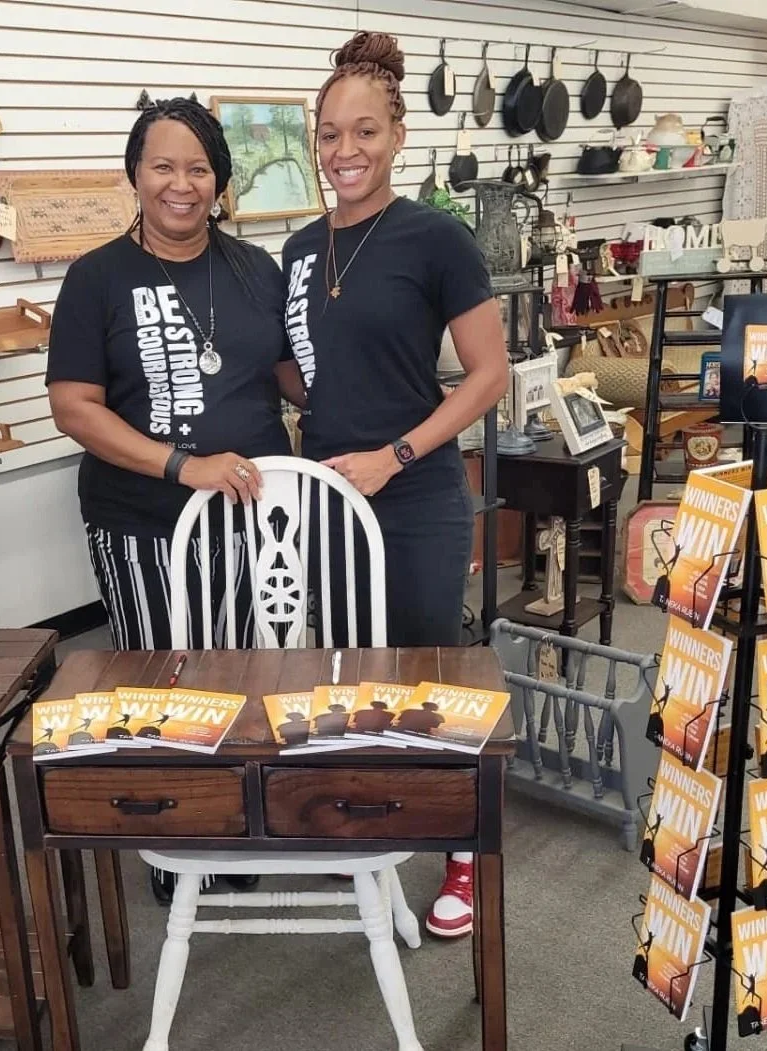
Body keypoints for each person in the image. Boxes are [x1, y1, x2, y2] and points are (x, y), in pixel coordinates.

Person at [281, 30, 509, 940]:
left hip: (411, 495)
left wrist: (396, 456)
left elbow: (489, 375)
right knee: (355, 673)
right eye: (330, 134)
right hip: (329, 498)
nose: (346, 151)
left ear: (398, 134)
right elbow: (310, 375)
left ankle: (458, 853)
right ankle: (372, 822)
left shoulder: (435, 237)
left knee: (431, 673)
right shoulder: (298, 251)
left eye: (364, 132)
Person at [46, 96, 295, 903]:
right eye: (163, 165)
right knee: (165, 676)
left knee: (252, 668)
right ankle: (177, 827)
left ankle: (250, 814)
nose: (181, 184)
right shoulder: (96, 279)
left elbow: (290, 376)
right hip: (142, 521)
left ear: (221, 182)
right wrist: (181, 464)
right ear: (136, 174)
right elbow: (75, 407)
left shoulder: (257, 270)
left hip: (257, 516)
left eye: (199, 168)